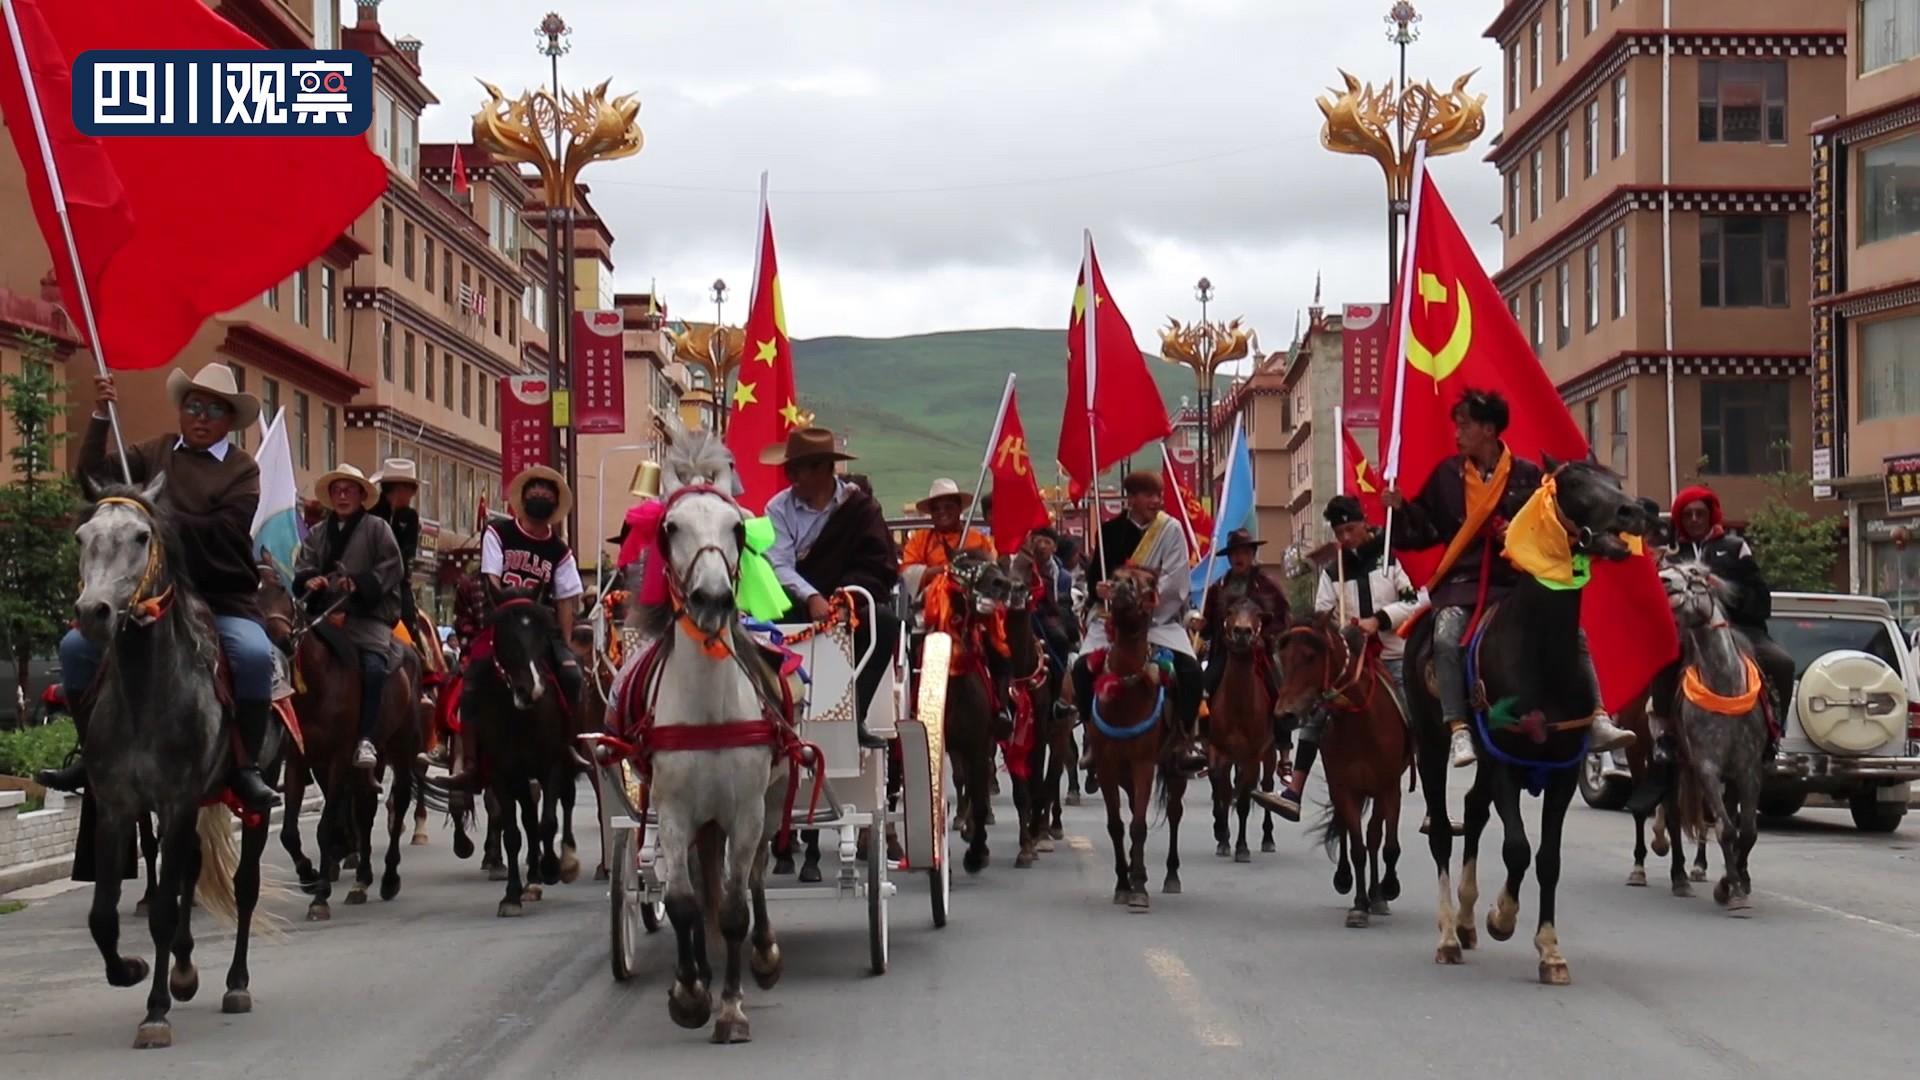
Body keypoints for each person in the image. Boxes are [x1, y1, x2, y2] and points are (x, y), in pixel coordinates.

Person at [39, 363, 281, 812]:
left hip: (220, 597)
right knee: (75, 649)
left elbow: (225, 531)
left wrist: (151, 520)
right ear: (182, 412)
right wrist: (98, 417)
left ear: (229, 420)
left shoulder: (242, 470)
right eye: (193, 406)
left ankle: (244, 766)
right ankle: (90, 753)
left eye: (213, 409)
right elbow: (94, 480)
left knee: (252, 656)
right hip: (146, 594)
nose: (201, 417)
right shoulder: (155, 452)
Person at [1383, 388, 1635, 768]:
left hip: (1517, 578)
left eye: (1464, 425)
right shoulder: (1447, 477)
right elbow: (1423, 530)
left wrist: (1517, 534)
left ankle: (1596, 716)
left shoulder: (1528, 476)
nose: (1457, 433)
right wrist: (1401, 510)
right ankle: (1458, 728)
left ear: (1488, 429)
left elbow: (1549, 526)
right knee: (1446, 636)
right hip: (1464, 583)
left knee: (1574, 632)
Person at [1255, 496, 1425, 821]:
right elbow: (1323, 613)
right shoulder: (1333, 570)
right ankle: (1295, 790)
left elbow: (1414, 600)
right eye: (1340, 533)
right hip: (1348, 661)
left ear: (1363, 523)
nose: (1346, 538)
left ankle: (1435, 804)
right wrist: (1337, 630)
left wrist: (1379, 620)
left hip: (1390, 653)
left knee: (1419, 715)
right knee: (1317, 714)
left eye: (1350, 529)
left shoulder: (1389, 559)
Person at [444, 466, 587, 787]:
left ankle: (568, 746)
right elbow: (491, 578)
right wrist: (501, 618)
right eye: (534, 491)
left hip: (539, 631)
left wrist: (562, 644)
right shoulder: (498, 532)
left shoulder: (560, 551)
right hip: (502, 624)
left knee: (573, 675)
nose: (540, 496)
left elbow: (566, 599)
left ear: (555, 504)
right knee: (470, 679)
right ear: (523, 499)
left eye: (547, 493)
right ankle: (465, 760)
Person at [763, 426, 898, 749]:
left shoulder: (861, 509)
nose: (792, 475)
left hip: (848, 602)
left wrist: (844, 600)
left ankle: (856, 716)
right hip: (795, 600)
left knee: (884, 622)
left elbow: (877, 565)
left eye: (801, 468)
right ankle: (776, 713)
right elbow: (778, 564)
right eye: (790, 468)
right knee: (761, 630)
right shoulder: (777, 509)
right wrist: (811, 597)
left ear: (826, 468)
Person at [1071, 471, 1206, 775]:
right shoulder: (1108, 531)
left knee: (1191, 671)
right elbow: (1095, 577)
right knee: (1080, 669)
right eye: (1149, 495)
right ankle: (1091, 738)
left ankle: (1186, 739)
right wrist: (1100, 589)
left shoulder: (1170, 531)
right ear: (1131, 499)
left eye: (1158, 495)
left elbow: (1175, 578)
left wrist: (1145, 599)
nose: (1157, 501)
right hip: (1112, 620)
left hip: (1157, 618)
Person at [293, 464, 407, 770]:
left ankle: (366, 738)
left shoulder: (377, 528)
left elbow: (392, 568)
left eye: (349, 490)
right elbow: (303, 567)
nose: (343, 496)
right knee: (289, 658)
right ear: (330, 496)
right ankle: (290, 738)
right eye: (337, 490)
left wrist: (359, 582)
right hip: (323, 617)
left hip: (366, 616)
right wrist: (310, 581)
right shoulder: (317, 534)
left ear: (361, 495)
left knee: (373, 666)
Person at [1662, 484, 1795, 737]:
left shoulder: (1735, 548)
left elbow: (1761, 600)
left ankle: (1776, 725)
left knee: (1783, 663)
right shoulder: (1672, 556)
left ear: (1710, 515)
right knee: (1662, 667)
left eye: (1700, 513)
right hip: (1689, 633)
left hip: (1740, 630)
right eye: (1688, 514)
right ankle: (1664, 732)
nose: (1694, 519)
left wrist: (1725, 591)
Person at [901, 478, 1010, 728]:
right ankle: (911, 705)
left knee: (998, 644)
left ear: (959, 509)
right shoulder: (919, 540)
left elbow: (991, 571)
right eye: (937, 508)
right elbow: (908, 573)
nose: (942, 513)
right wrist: (943, 571)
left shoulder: (977, 539)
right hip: (930, 610)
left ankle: (1001, 706)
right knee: (910, 648)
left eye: (948, 507)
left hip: (970, 609)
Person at [1197, 528, 1289, 712]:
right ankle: (1203, 732)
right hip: (1225, 651)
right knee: (1203, 688)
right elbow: (1207, 625)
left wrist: (1266, 637)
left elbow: (1283, 619)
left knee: (1279, 691)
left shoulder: (1267, 586)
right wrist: (1200, 624)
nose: (1239, 557)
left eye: (1245, 552)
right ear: (1229, 558)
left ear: (1252, 555)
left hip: (1260, 652)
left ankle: (1282, 736)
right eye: (1235, 553)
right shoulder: (1217, 588)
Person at [368, 459, 424, 645]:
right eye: (411, 490)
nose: (412, 496)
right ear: (400, 489)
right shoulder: (371, 514)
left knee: (409, 622)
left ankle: (417, 656)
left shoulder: (410, 517)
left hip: (398, 583)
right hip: (368, 579)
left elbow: (407, 553)